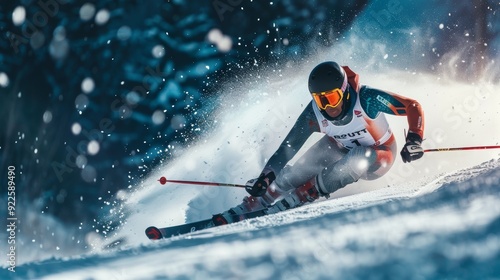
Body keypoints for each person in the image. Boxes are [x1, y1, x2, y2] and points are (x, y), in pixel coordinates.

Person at [212, 61, 425, 225]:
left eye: (331, 98)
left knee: (360, 156)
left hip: (379, 155)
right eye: (320, 99)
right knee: (295, 172)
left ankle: (304, 193)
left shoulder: (366, 99)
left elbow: (411, 105)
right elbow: (287, 149)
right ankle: (256, 202)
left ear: (344, 91)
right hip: (339, 148)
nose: (327, 107)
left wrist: (414, 138)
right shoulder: (313, 114)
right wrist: (264, 179)